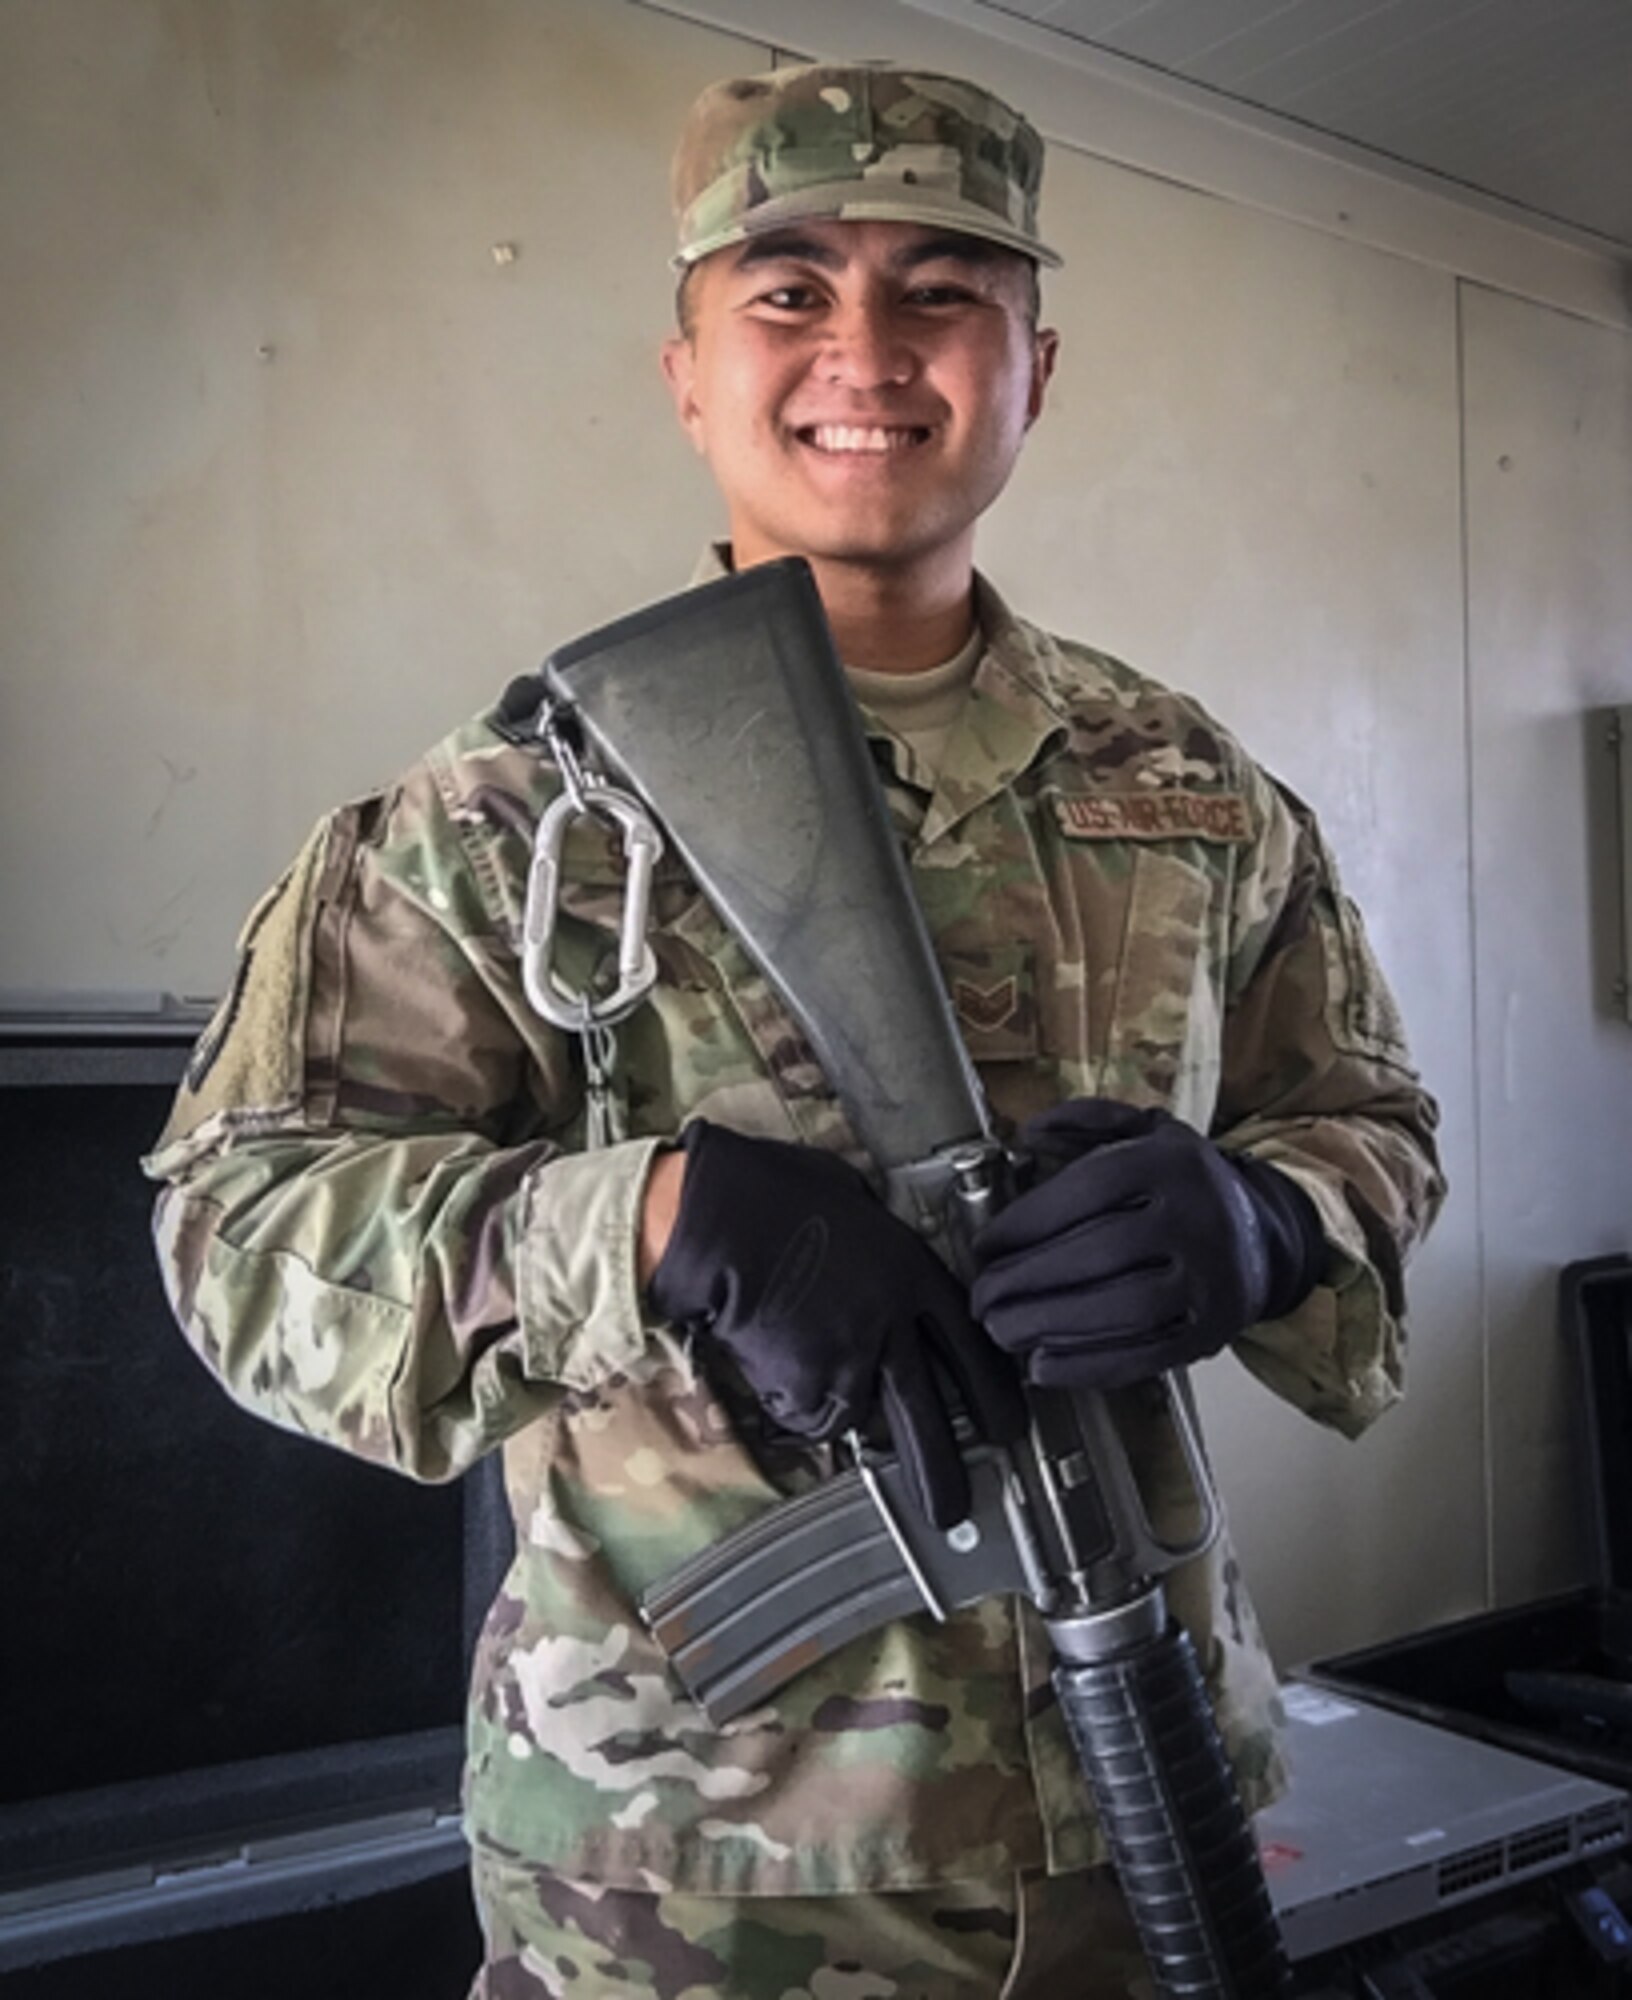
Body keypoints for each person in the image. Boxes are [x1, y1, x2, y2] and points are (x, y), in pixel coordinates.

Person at [147, 60, 1445, 1999]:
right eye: (787, 290)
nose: (869, 349)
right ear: (686, 372)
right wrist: (654, 1225)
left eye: (943, 290)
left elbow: (1370, 1117)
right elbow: (239, 1229)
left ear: (1035, 363)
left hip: (1136, 1823)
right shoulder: (504, 814)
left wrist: (1264, 1222)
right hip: (691, 1894)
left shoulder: (1191, 788)